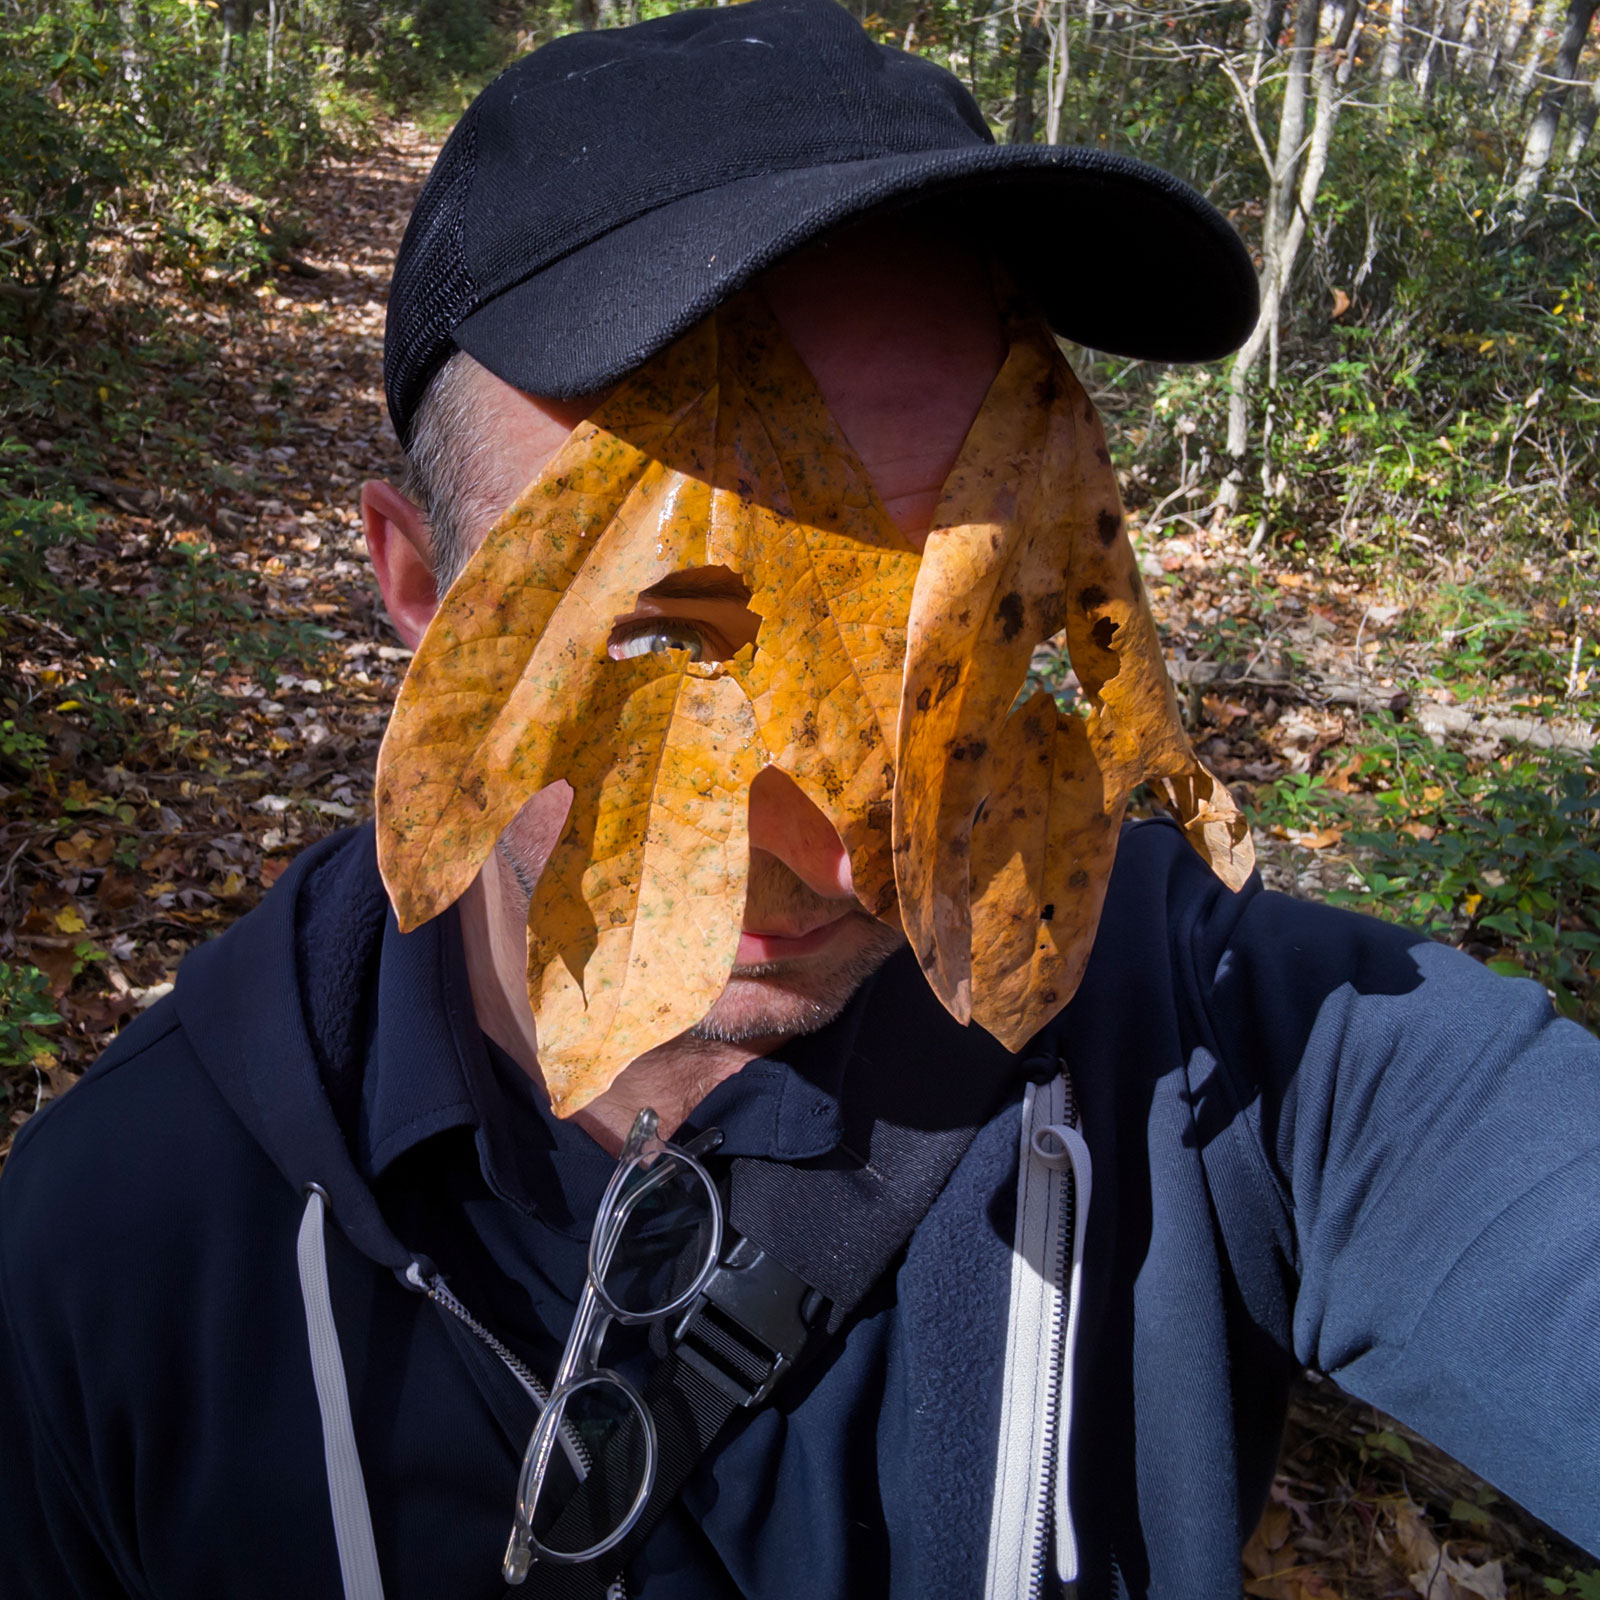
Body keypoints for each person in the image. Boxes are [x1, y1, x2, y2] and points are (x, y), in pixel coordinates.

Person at [2, 2, 1597, 1597]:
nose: (855, 840)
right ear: (421, 595)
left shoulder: (1232, 1053)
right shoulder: (115, 1261)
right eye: (667, 636)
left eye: (950, 631)